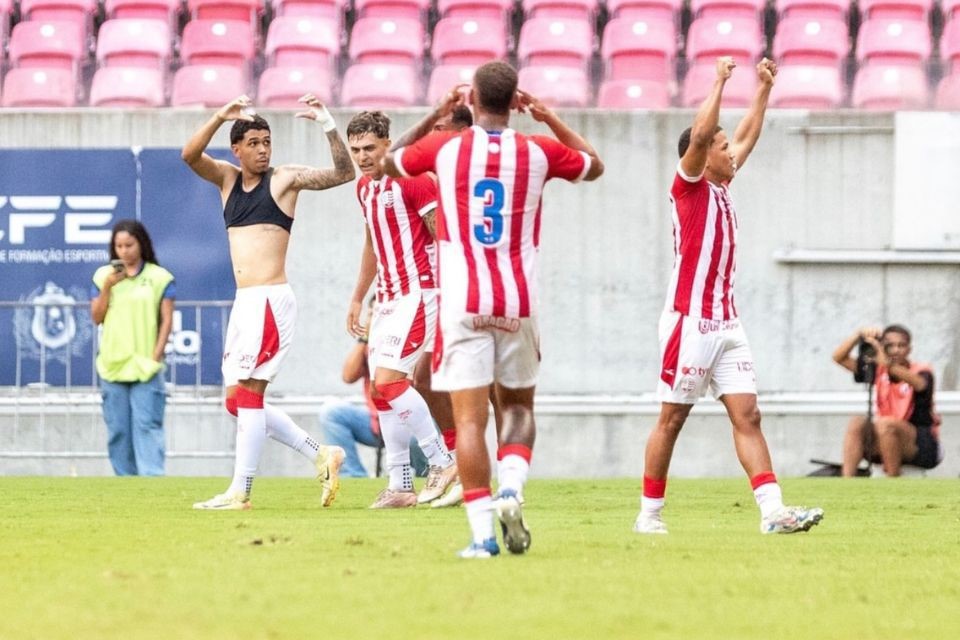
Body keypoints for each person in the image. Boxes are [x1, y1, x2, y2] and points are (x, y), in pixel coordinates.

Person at [383, 61, 604, 558]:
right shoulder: (538, 151)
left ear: (473, 100)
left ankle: (483, 536)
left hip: (462, 301)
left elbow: (390, 163)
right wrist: (548, 117)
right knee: (520, 408)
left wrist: (433, 114)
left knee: (469, 423)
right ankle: (512, 488)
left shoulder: (446, 146)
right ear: (515, 100)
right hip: (518, 298)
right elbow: (594, 163)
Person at [634, 57, 823, 536]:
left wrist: (762, 89)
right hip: (690, 321)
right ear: (703, 154)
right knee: (672, 418)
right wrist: (719, 80)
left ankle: (773, 512)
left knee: (748, 414)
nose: (730, 152)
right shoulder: (690, 186)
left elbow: (748, 134)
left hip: (727, 324)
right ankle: (649, 516)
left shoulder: (722, 185)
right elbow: (701, 138)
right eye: (722, 147)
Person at [182, 94, 355, 510]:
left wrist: (328, 123)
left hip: (270, 302)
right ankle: (321, 453)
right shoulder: (226, 179)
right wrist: (222, 115)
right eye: (254, 142)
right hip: (246, 304)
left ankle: (240, 492)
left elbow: (344, 173)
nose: (262, 149)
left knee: (251, 397)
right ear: (237, 149)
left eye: (267, 141)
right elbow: (189, 154)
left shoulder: (285, 179)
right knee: (234, 402)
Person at [344, 110, 458, 509]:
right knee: (381, 392)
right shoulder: (364, 189)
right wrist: (359, 296)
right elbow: (373, 244)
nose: (362, 156)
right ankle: (401, 485)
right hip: (388, 299)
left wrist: (454, 291)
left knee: (391, 384)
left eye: (369, 148)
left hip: (419, 294)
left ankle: (444, 461)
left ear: (388, 144)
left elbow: (442, 234)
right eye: (356, 149)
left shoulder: (413, 181)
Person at [91, 219, 174, 476]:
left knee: (147, 425)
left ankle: (151, 479)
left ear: (141, 244)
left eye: (129, 245)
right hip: (113, 364)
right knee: (118, 429)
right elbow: (96, 317)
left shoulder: (159, 277)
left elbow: (167, 320)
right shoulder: (103, 276)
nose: (124, 251)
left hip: (144, 365)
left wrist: (155, 355)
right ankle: (124, 481)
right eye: (119, 246)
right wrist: (107, 287)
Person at [321, 297, 428, 479]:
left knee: (415, 439)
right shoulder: (369, 344)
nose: (375, 319)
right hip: (375, 422)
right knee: (331, 413)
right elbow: (348, 376)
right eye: (372, 314)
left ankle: (427, 477)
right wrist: (364, 337)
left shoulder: (409, 339)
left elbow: (420, 382)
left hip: (411, 423)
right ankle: (353, 477)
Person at [832, 325, 942, 476]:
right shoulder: (877, 370)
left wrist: (886, 363)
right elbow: (839, 358)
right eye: (890, 346)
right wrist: (858, 335)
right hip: (884, 437)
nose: (896, 350)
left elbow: (919, 384)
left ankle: (893, 480)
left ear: (909, 349)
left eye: (901, 345)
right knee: (856, 423)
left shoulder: (921, 370)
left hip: (920, 444)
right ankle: (848, 484)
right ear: (882, 347)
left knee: (885, 424)